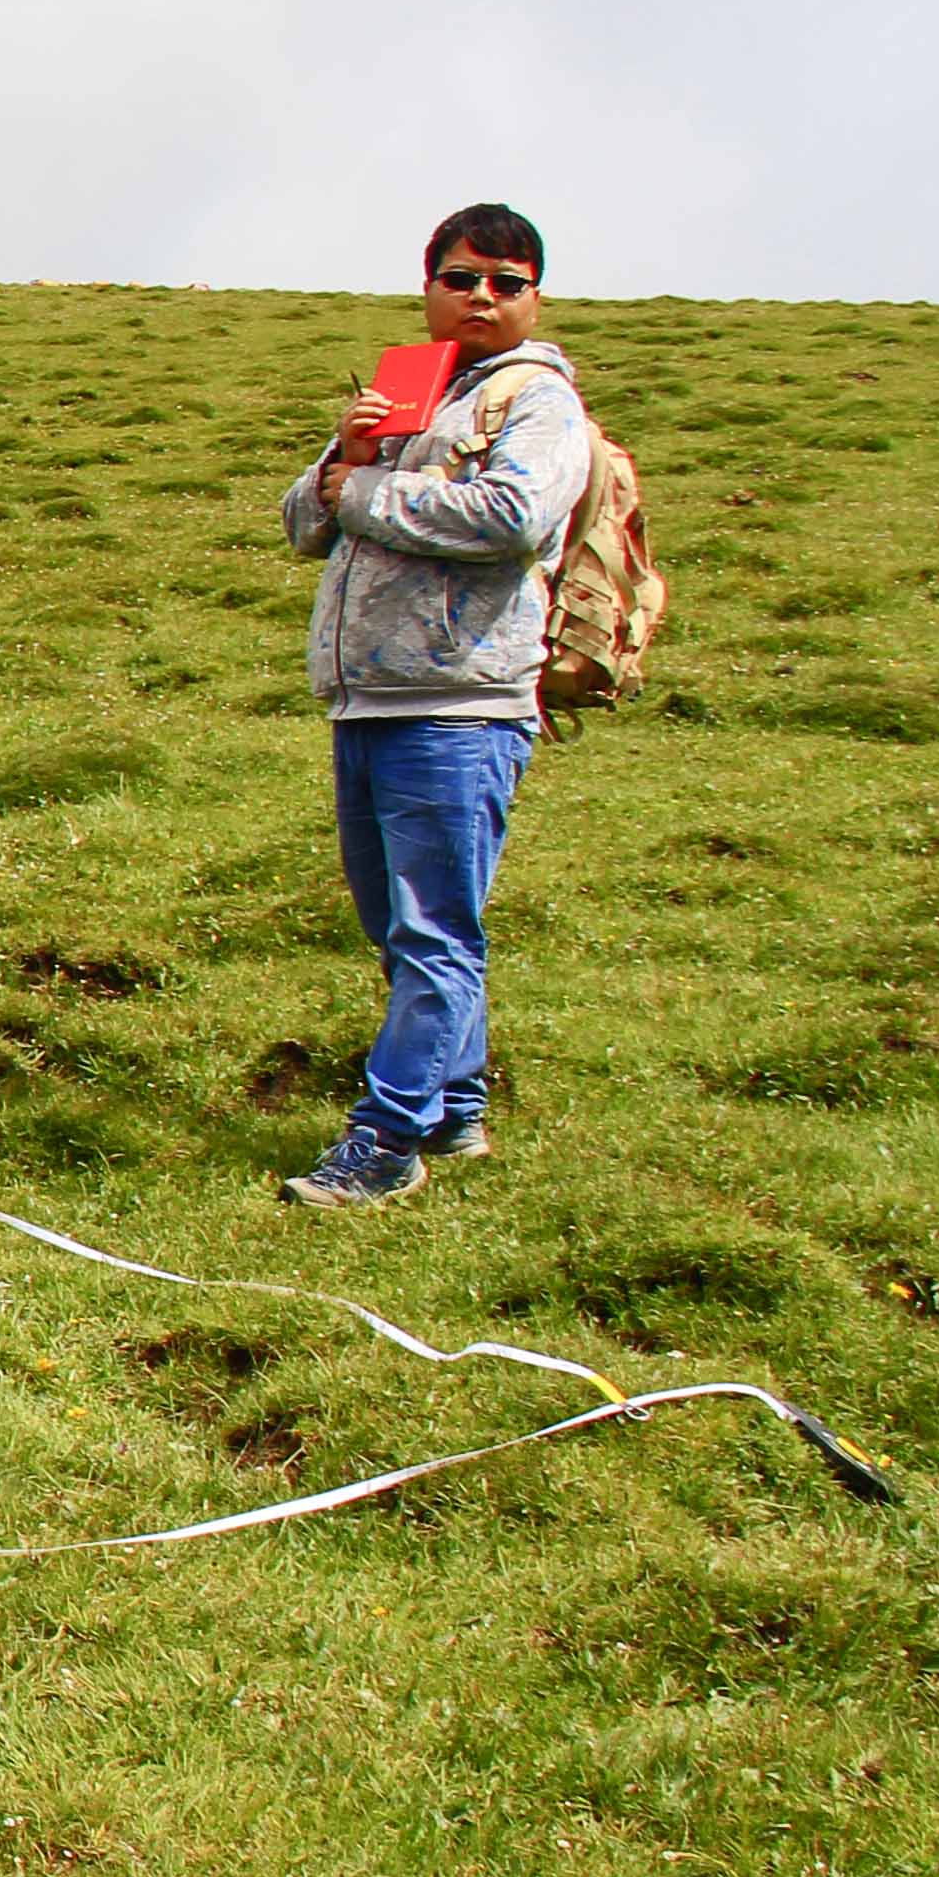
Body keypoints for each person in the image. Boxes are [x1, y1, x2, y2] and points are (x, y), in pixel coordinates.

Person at [273, 203, 594, 1209]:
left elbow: (514, 515)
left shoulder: (538, 402)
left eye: (506, 282)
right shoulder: (410, 387)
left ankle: (385, 1143)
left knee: (432, 933)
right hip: (368, 700)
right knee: (401, 927)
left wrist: (362, 495)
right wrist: (342, 457)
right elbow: (303, 525)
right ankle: (454, 1111)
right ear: (429, 288)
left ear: (535, 296)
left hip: (460, 703)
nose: (481, 297)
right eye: (462, 278)